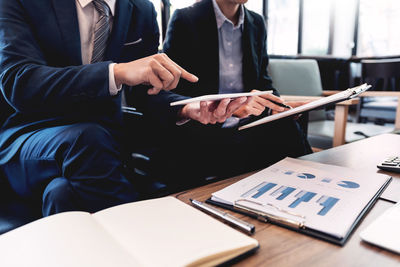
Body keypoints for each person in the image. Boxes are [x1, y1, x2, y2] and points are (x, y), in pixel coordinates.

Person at [0, 0, 249, 216]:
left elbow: (145, 92)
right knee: (88, 139)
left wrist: (187, 108)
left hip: (100, 149)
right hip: (31, 137)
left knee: (62, 193)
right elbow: (19, 82)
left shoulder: (141, 9)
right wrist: (116, 72)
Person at [131, 0, 312, 189]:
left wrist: (279, 107)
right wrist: (227, 107)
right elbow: (172, 88)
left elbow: (263, 82)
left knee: (287, 128)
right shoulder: (186, 19)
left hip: (246, 126)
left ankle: (315, 188)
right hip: (205, 126)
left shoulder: (256, 22)